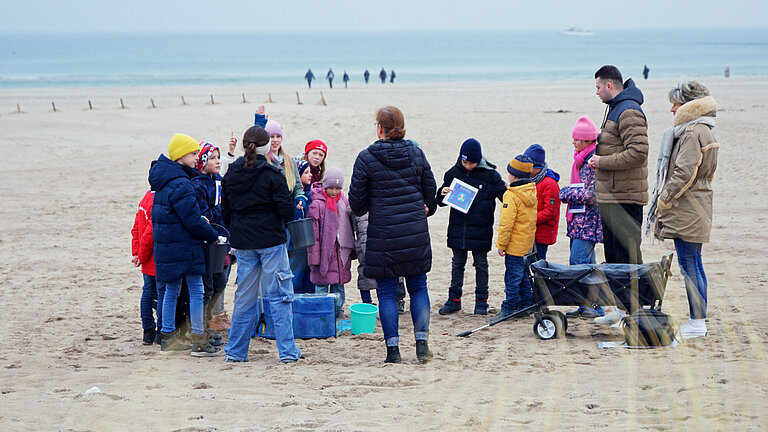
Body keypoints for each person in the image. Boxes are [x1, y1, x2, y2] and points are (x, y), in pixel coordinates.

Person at [349, 105, 437, 363]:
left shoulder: (366, 157)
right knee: (418, 287)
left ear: (379, 128)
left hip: (384, 233)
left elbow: (357, 204)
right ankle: (422, 344)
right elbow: (430, 194)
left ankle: (393, 351)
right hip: (414, 230)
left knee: (386, 292)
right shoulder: (416, 153)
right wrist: (424, 208)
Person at [221, 126, 302, 363]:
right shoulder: (272, 174)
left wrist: (237, 230)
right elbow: (286, 210)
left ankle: (236, 352)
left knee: (244, 298)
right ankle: (287, 352)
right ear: (266, 147)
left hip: (244, 242)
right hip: (270, 241)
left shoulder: (232, 173)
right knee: (280, 296)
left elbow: (225, 210)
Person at [648, 81, 719, 339]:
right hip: (698, 203)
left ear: (689, 105)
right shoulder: (705, 130)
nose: (672, 110)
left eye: (675, 104)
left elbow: (684, 172)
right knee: (695, 263)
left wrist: (664, 199)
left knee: (690, 264)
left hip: (688, 205)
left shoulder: (691, 133)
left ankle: (697, 321)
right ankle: (697, 319)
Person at [149, 133, 222, 357]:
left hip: (168, 246)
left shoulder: (164, 182)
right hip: (186, 247)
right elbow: (191, 220)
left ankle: (168, 338)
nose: (196, 157)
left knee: (171, 290)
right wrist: (212, 235)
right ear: (181, 156)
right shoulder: (182, 184)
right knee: (197, 290)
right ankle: (199, 340)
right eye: (193, 154)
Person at [590, 65, 649, 325]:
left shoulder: (629, 111)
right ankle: (623, 311)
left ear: (610, 86)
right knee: (613, 258)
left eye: (598, 87)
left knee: (628, 257)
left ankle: (637, 312)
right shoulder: (615, 109)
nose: (597, 92)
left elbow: (638, 153)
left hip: (626, 197)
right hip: (612, 196)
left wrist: (602, 161)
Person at [435, 138, 507, 316]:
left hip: (481, 229)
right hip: (458, 229)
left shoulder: (491, 175)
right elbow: (441, 201)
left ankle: (481, 302)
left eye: (471, 162)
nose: (467, 165)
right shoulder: (452, 173)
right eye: (464, 161)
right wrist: (441, 193)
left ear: (479, 159)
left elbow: (506, 198)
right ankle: (454, 301)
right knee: (457, 264)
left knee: (481, 264)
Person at [560, 116, 605, 318]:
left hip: (589, 222)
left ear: (587, 140)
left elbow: (591, 194)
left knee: (578, 261)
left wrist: (566, 193)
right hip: (580, 222)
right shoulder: (582, 159)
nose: (573, 142)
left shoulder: (591, 162)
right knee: (588, 264)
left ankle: (590, 306)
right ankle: (589, 306)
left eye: (576, 139)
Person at [190, 141, 229, 347]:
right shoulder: (198, 184)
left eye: (218, 157)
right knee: (207, 286)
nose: (217, 161)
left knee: (220, 282)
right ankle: (203, 328)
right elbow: (204, 214)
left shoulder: (219, 180)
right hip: (206, 241)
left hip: (221, 240)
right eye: (212, 157)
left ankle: (211, 324)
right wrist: (220, 208)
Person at [492, 155, 537, 321]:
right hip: (526, 246)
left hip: (514, 246)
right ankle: (525, 306)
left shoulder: (511, 195)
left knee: (512, 278)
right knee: (524, 277)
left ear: (514, 176)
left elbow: (506, 224)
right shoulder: (531, 191)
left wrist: (501, 245)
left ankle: (508, 310)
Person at [307, 167, 356, 319]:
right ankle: (321, 315)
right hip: (323, 254)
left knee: (338, 287)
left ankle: (337, 313)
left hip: (340, 254)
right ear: (324, 186)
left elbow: (350, 227)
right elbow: (313, 235)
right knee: (321, 286)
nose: (334, 192)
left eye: (337, 188)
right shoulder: (317, 205)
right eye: (331, 188)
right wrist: (315, 258)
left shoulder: (343, 202)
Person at [131, 164, 160, 345]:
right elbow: (149, 232)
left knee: (148, 293)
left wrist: (136, 252)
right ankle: (157, 331)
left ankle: (147, 330)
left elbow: (136, 229)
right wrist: (140, 254)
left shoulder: (144, 199)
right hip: (154, 256)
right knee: (161, 294)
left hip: (146, 257)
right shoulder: (157, 201)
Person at [523, 144, 560, 261]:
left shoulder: (550, 184)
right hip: (529, 231)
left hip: (541, 233)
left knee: (538, 262)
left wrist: (530, 219)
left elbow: (550, 211)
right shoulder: (529, 180)